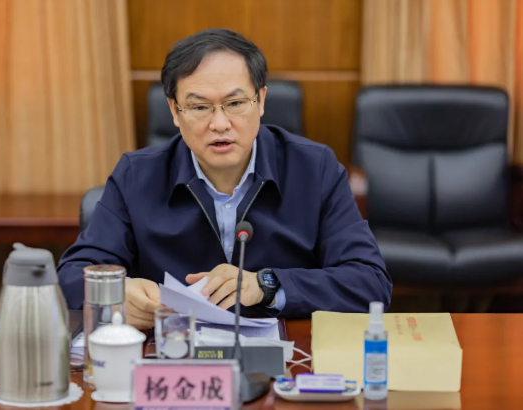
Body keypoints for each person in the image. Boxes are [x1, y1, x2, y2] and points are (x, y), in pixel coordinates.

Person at [57, 28, 392, 330]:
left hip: (285, 357)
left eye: (235, 103)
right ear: (174, 111)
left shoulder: (314, 169)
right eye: (200, 107)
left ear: (261, 101)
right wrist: (117, 293)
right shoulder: (137, 175)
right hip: (172, 352)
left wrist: (267, 285)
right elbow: (71, 276)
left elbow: (369, 282)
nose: (219, 124)